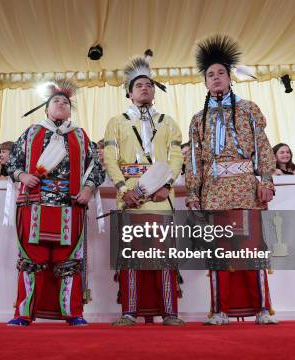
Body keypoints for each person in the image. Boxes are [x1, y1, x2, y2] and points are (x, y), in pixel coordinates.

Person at [186, 35, 277, 325]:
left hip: (246, 189)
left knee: (251, 250)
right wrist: (193, 192)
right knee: (218, 253)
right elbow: (194, 159)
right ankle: (220, 310)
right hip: (213, 192)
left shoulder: (249, 109)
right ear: (205, 82)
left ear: (229, 77)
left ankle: (262, 309)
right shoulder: (198, 119)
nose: (215, 78)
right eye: (209, 75)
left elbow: (262, 147)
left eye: (220, 73)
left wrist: (266, 182)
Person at [6, 78, 104, 326]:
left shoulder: (80, 136)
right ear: (46, 109)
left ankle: (74, 313)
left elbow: (96, 169)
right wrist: (23, 175)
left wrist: (88, 189)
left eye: (65, 102)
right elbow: (11, 163)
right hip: (34, 205)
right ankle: (23, 313)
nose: (61, 104)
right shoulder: (31, 133)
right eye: (56, 101)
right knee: (30, 260)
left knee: (69, 260)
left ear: (70, 110)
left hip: (70, 206)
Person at [103, 53, 184, 326]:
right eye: (138, 85)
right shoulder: (117, 122)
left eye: (149, 85)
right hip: (130, 198)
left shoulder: (169, 122)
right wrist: (125, 189)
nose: (145, 88)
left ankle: (170, 313)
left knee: (164, 257)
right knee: (132, 257)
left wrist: (167, 185)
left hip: (161, 197)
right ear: (129, 93)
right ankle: (129, 312)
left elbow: (176, 158)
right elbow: (110, 160)